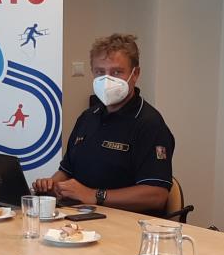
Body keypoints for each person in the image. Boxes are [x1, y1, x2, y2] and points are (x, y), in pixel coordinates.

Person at [33, 33, 175, 213]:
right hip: (78, 218)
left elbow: (156, 195)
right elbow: (66, 172)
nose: (107, 80)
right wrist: (52, 185)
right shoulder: (87, 117)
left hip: (125, 224)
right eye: (100, 72)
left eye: (116, 72)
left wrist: (95, 195)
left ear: (135, 74)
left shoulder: (149, 124)